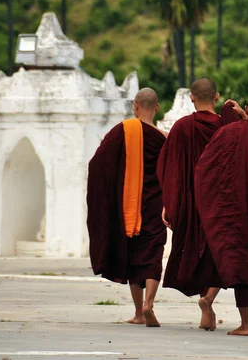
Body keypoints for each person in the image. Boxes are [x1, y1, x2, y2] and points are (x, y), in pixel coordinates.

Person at [156, 78, 243, 331]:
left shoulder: (182, 126)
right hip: (220, 201)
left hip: (190, 201)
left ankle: (205, 302)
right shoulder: (227, 126)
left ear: (191, 98)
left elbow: (169, 168)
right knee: (220, 251)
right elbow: (247, 151)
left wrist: (167, 203)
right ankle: (209, 298)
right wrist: (242, 116)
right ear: (216, 97)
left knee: (196, 250)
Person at [195, 93, 248, 336]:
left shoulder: (226, 133)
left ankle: (244, 323)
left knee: (236, 261)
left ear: (246, 108)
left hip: (230, 211)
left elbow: (205, 168)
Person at [87, 87, 167, 327]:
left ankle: (138, 313)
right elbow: (172, 172)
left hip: (129, 207)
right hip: (155, 205)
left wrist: (109, 195)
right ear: (157, 108)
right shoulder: (164, 137)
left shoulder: (123, 131)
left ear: (135, 106)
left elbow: (98, 164)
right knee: (153, 254)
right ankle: (149, 303)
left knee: (133, 256)